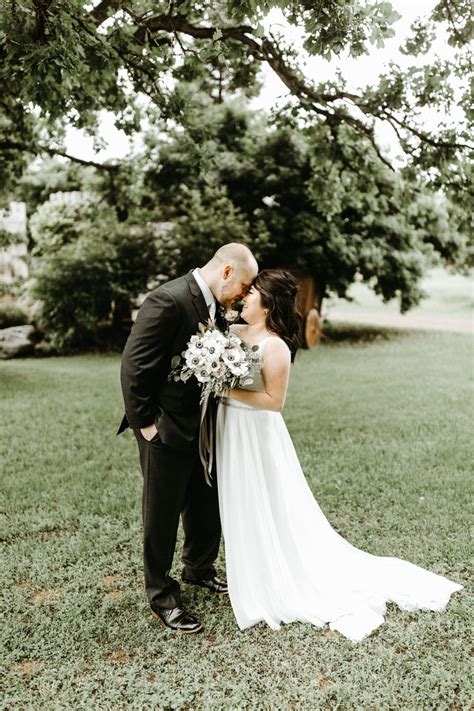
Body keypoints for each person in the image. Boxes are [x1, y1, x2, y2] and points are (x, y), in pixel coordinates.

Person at [216, 269, 463, 642]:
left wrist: (225, 393)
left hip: (257, 433)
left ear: (267, 305)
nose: (244, 297)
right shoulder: (230, 333)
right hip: (229, 431)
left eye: (251, 293)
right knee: (239, 500)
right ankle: (248, 566)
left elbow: (274, 402)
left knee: (267, 502)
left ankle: (272, 573)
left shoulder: (275, 346)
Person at [119, 243, 258, 634]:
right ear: (227, 271)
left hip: (204, 427)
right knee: (162, 511)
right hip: (164, 428)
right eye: (244, 285)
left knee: (204, 499)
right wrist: (147, 425)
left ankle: (199, 568)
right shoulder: (169, 300)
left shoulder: (215, 307)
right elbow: (134, 367)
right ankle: (161, 595)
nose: (244, 295)